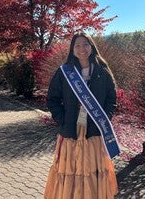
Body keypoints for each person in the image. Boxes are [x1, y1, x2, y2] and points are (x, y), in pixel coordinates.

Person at [44, 32, 118, 199]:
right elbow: (52, 99)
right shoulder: (65, 72)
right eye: (77, 45)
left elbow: (111, 99)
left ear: (91, 47)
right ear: (72, 49)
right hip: (71, 131)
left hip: (94, 132)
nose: (82, 49)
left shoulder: (102, 71)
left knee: (94, 171)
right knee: (71, 170)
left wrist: (105, 119)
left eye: (85, 44)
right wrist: (63, 120)